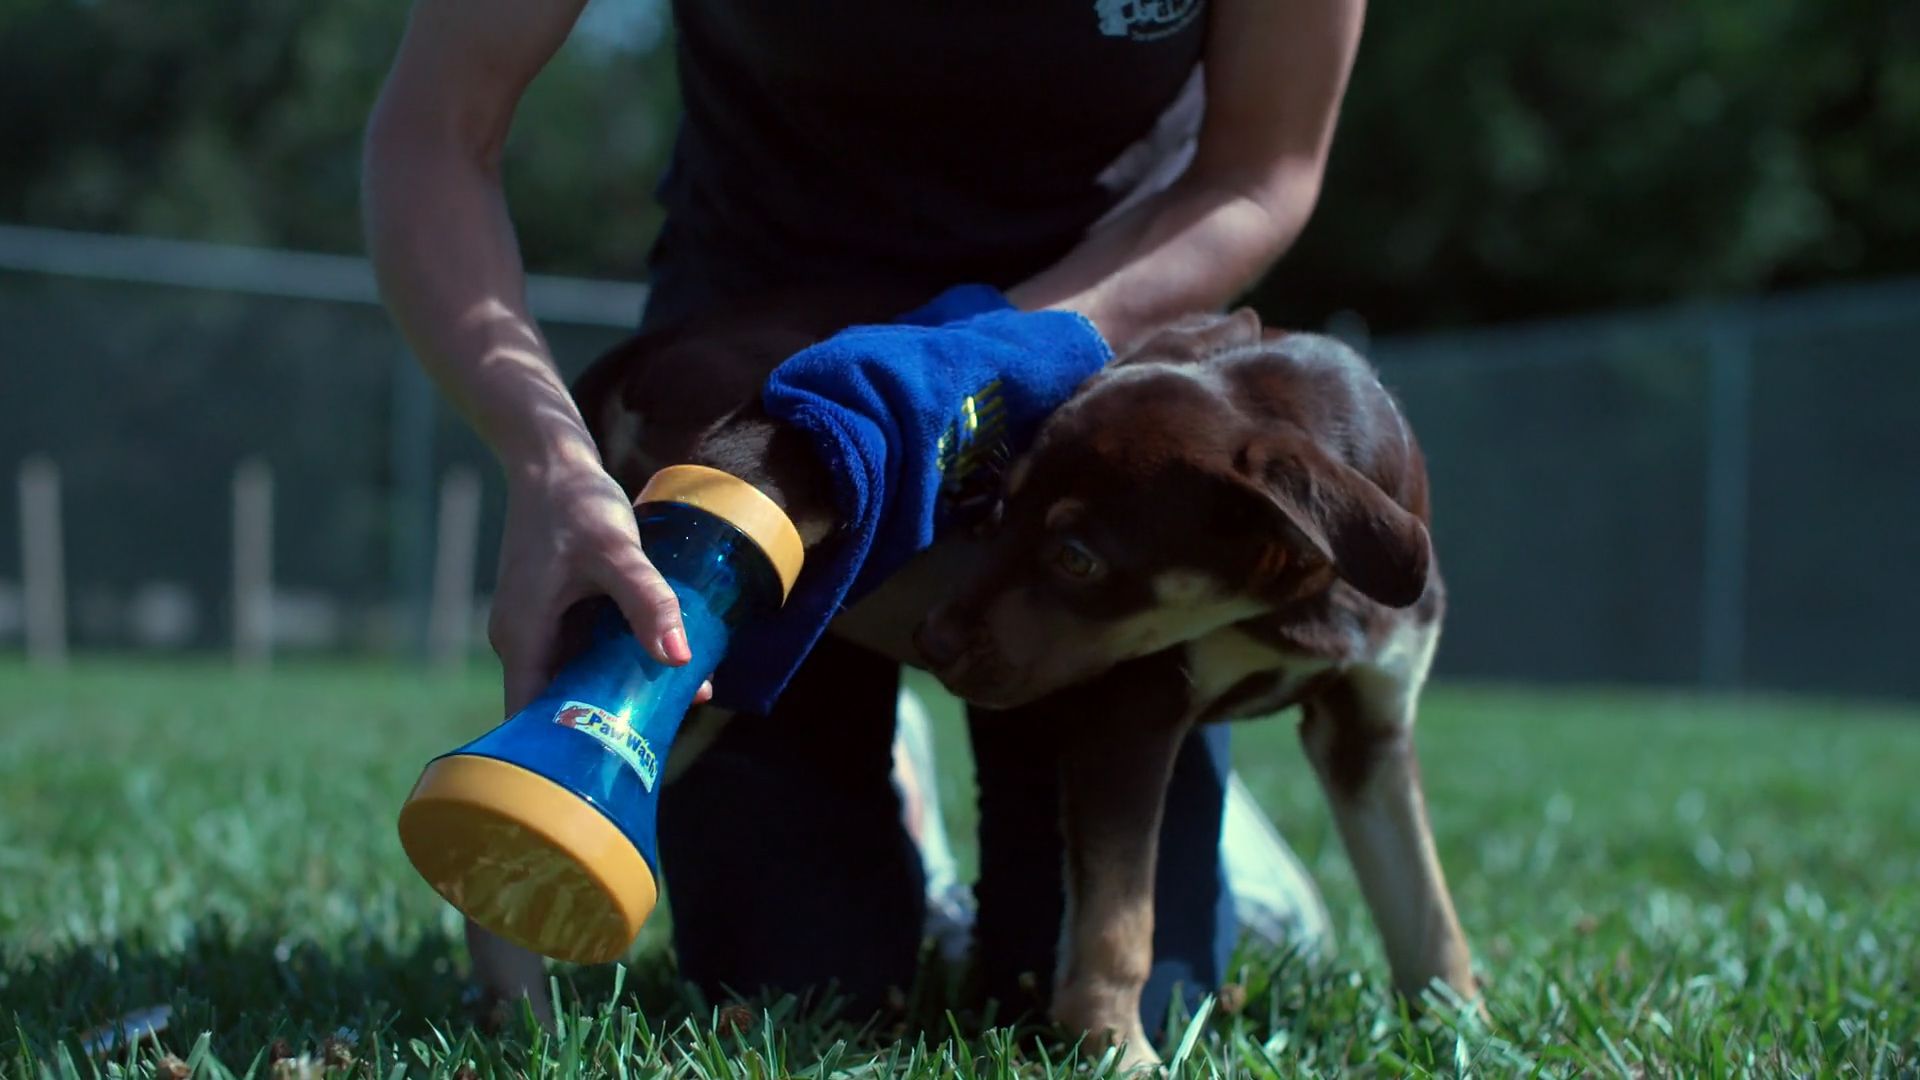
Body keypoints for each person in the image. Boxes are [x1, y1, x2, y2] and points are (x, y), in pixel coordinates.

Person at [363, 0, 1361, 1036]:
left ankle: (1221, 850)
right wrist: (548, 460)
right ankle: (895, 784)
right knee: (793, 996)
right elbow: (437, 131)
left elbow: (1261, 170)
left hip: (1091, 381)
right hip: (764, 394)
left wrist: (981, 356)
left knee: (1110, 1002)